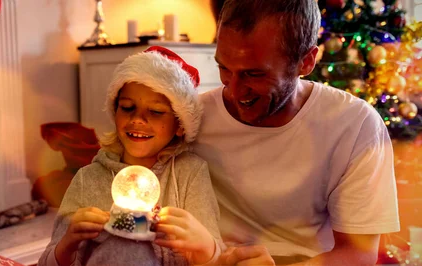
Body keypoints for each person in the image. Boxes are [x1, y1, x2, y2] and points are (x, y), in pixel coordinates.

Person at [192, 0, 400, 265]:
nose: (233, 91)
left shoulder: (355, 124)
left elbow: (359, 253)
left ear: (306, 62)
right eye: (224, 68)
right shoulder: (191, 117)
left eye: (254, 74)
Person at [38, 46, 224, 266]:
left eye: (155, 112)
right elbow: (46, 263)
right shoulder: (87, 179)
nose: (138, 119)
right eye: (127, 107)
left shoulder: (190, 173)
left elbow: (217, 257)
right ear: (114, 111)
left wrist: (205, 245)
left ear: (180, 125)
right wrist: (68, 243)